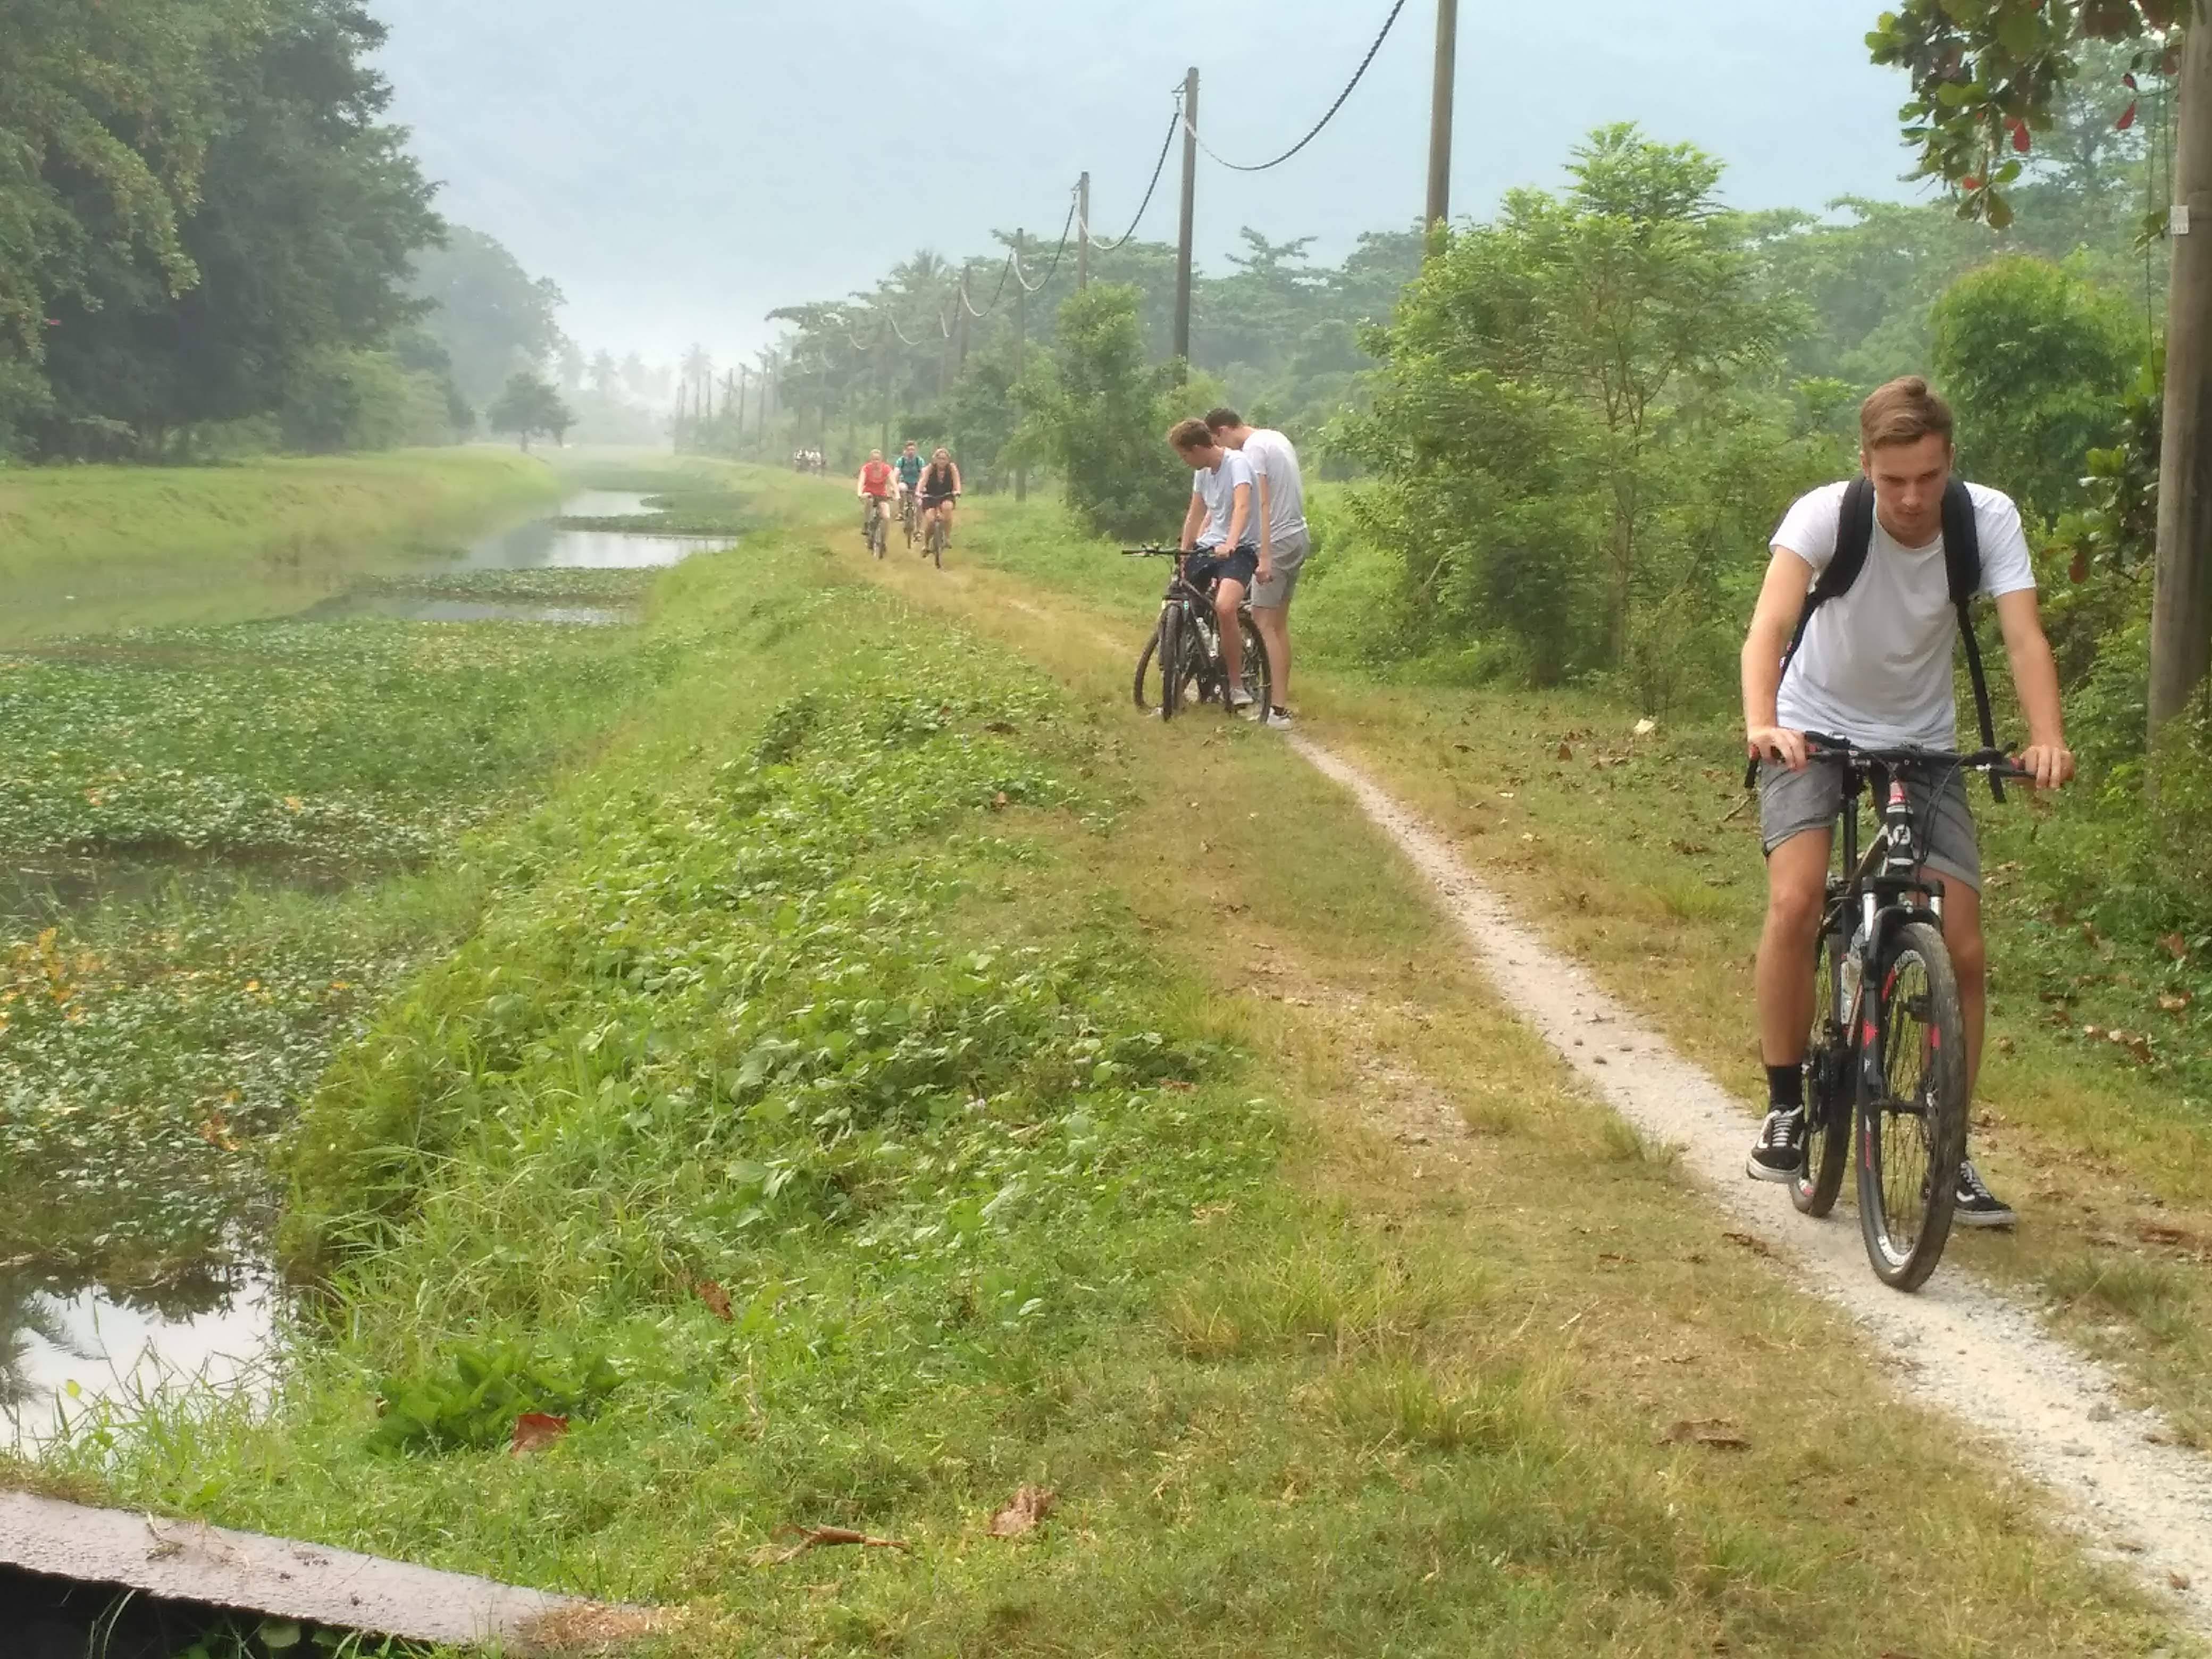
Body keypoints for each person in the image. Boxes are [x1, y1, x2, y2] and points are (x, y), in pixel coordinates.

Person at [1741, 376, 2075, 1227]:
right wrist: (1763, 724)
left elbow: (2023, 634)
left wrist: (2046, 737)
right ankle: (1786, 1105)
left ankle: (1948, 1143)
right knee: (1796, 898)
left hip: (1923, 743)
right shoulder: (1826, 515)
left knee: (1961, 945)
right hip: (1809, 728)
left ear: (1948, 461)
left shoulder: (1985, 518)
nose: (1913, 498)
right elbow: (1768, 629)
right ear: (1866, 467)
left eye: (1928, 477)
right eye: (1894, 481)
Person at [1205, 408, 1305, 729]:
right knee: (1277, 625)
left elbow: (1259, 502)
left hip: (1275, 540)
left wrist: (1262, 556)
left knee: (1264, 624)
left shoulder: (1251, 451)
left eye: (1218, 441)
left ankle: (1276, 710)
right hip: (1297, 535)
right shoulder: (1275, 437)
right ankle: (1278, 700)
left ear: (1221, 432)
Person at [1168, 417, 1260, 709]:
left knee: (1225, 607)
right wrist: (1185, 554)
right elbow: (1195, 515)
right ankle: (1180, 678)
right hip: (1210, 547)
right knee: (1181, 600)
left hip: (1241, 548)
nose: (1184, 461)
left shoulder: (1237, 464)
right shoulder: (1203, 474)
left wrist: (1232, 543)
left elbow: (1243, 505)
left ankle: (1236, 686)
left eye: (1184, 455)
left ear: (1197, 448)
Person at [918, 447, 961, 551]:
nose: (942, 461)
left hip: (946, 495)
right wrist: (919, 492)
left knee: (947, 508)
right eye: (940, 459)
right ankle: (926, 544)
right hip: (930, 496)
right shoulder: (930, 468)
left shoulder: (952, 468)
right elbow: (923, 481)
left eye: (944, 459)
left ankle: (947, 538)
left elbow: (957, 481)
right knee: (931, 521)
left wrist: (957, 491)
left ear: (948, 460)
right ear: (935, 459)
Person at [856, 449, 895, 541]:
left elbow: (893, 482)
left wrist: (896, 494)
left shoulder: (886, 469)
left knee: (886, 517)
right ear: (871, 460)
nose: (876, 462)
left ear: (881, 460)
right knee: (869, 501)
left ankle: (883, 542)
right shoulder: (866, 469)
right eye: (874, 459)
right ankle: (866, 523)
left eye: (878, 459)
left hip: (882, 495)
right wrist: (860, 493)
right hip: (869, 494)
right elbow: (861, 482)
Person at [894, 441, 926, 524]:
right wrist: (894, 484)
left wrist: (923, 485)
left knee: (919, 504)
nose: (911, 452)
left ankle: (919, 530)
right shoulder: (901, 461)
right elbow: (896, 472)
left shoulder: (919, 461)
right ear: (905, 451)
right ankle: (901, 512)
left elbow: (924, 474)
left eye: (913, 450)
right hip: (905, 483)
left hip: (917, 484)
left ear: (916, 451)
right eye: (909, 450)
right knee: (901, 488)